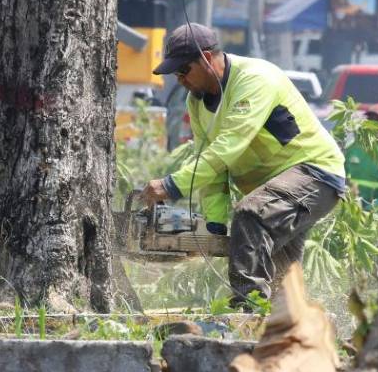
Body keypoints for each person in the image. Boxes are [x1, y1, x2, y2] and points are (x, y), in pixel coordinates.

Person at [141, 23, 346, 308]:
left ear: (207, 57)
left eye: (184, 70)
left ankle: (246, 312)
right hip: (276, 189)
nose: (180, 80)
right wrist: (213, 225)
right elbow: (209, 161)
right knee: (281, 281)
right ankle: (284, 326)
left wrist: (171, 185)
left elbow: (227, 148)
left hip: (315, 173)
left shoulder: (254, 79)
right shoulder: (195, 102)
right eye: (175, 74)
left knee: (251, 214)